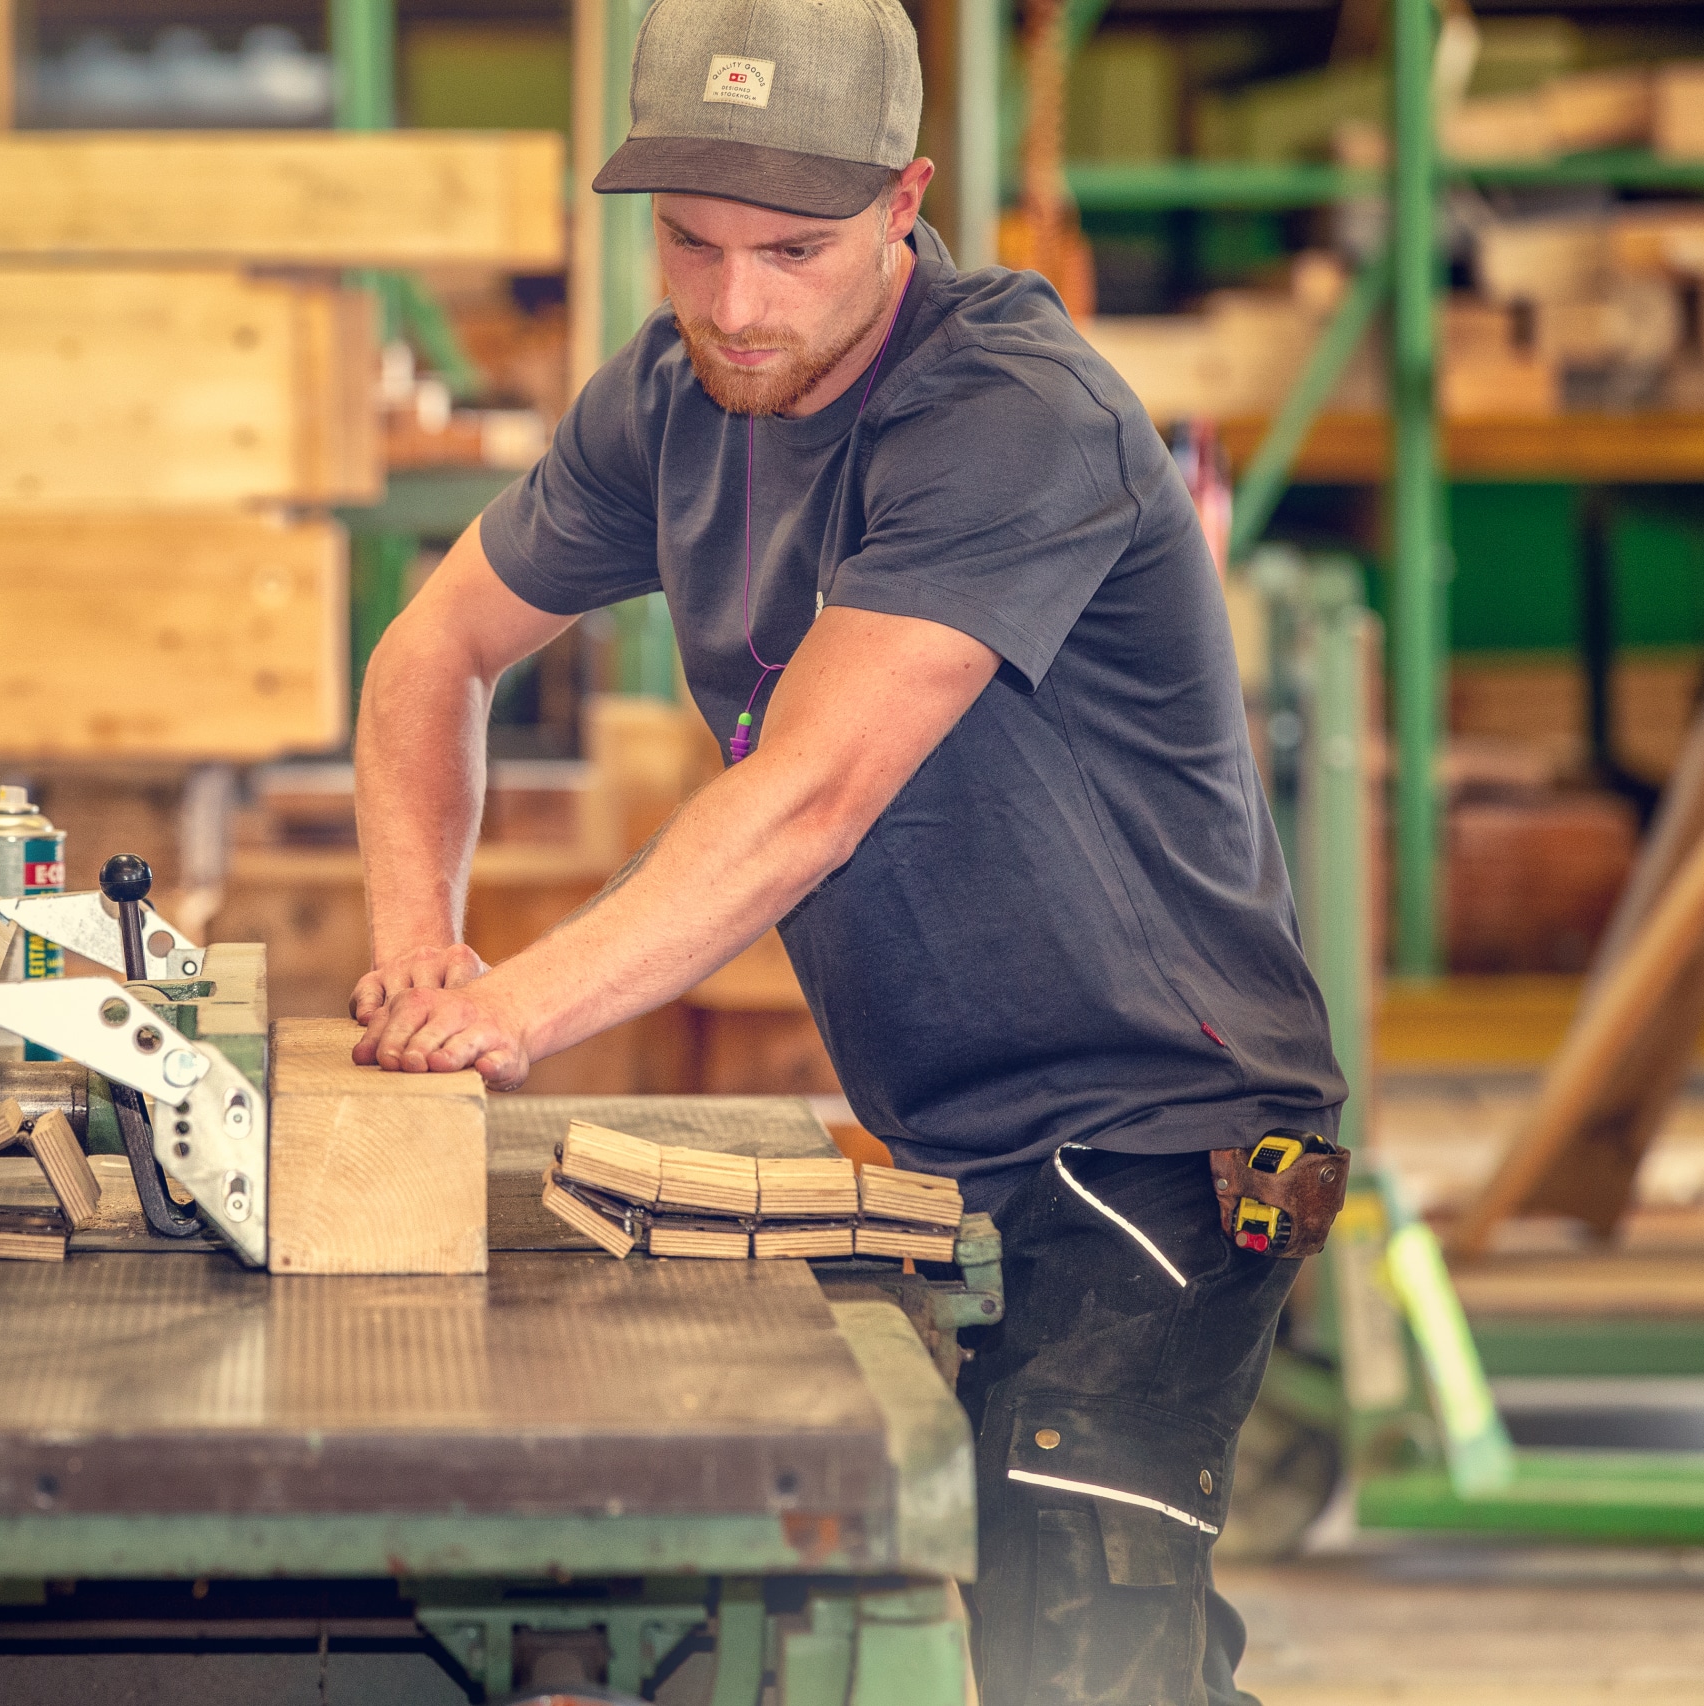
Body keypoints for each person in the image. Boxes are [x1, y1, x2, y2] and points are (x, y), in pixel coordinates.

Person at [344, 0, 1348, 1700]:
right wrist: (416, 946)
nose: (737, 306)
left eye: (796, 250)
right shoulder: (665, 399)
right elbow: (428, 655)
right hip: (947, 1138)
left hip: (1156, 1145)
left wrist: (509, 1011)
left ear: (905, 203)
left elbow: (808, 796)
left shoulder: (1010, 410)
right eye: (691, 242)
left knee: (1069, 1658)